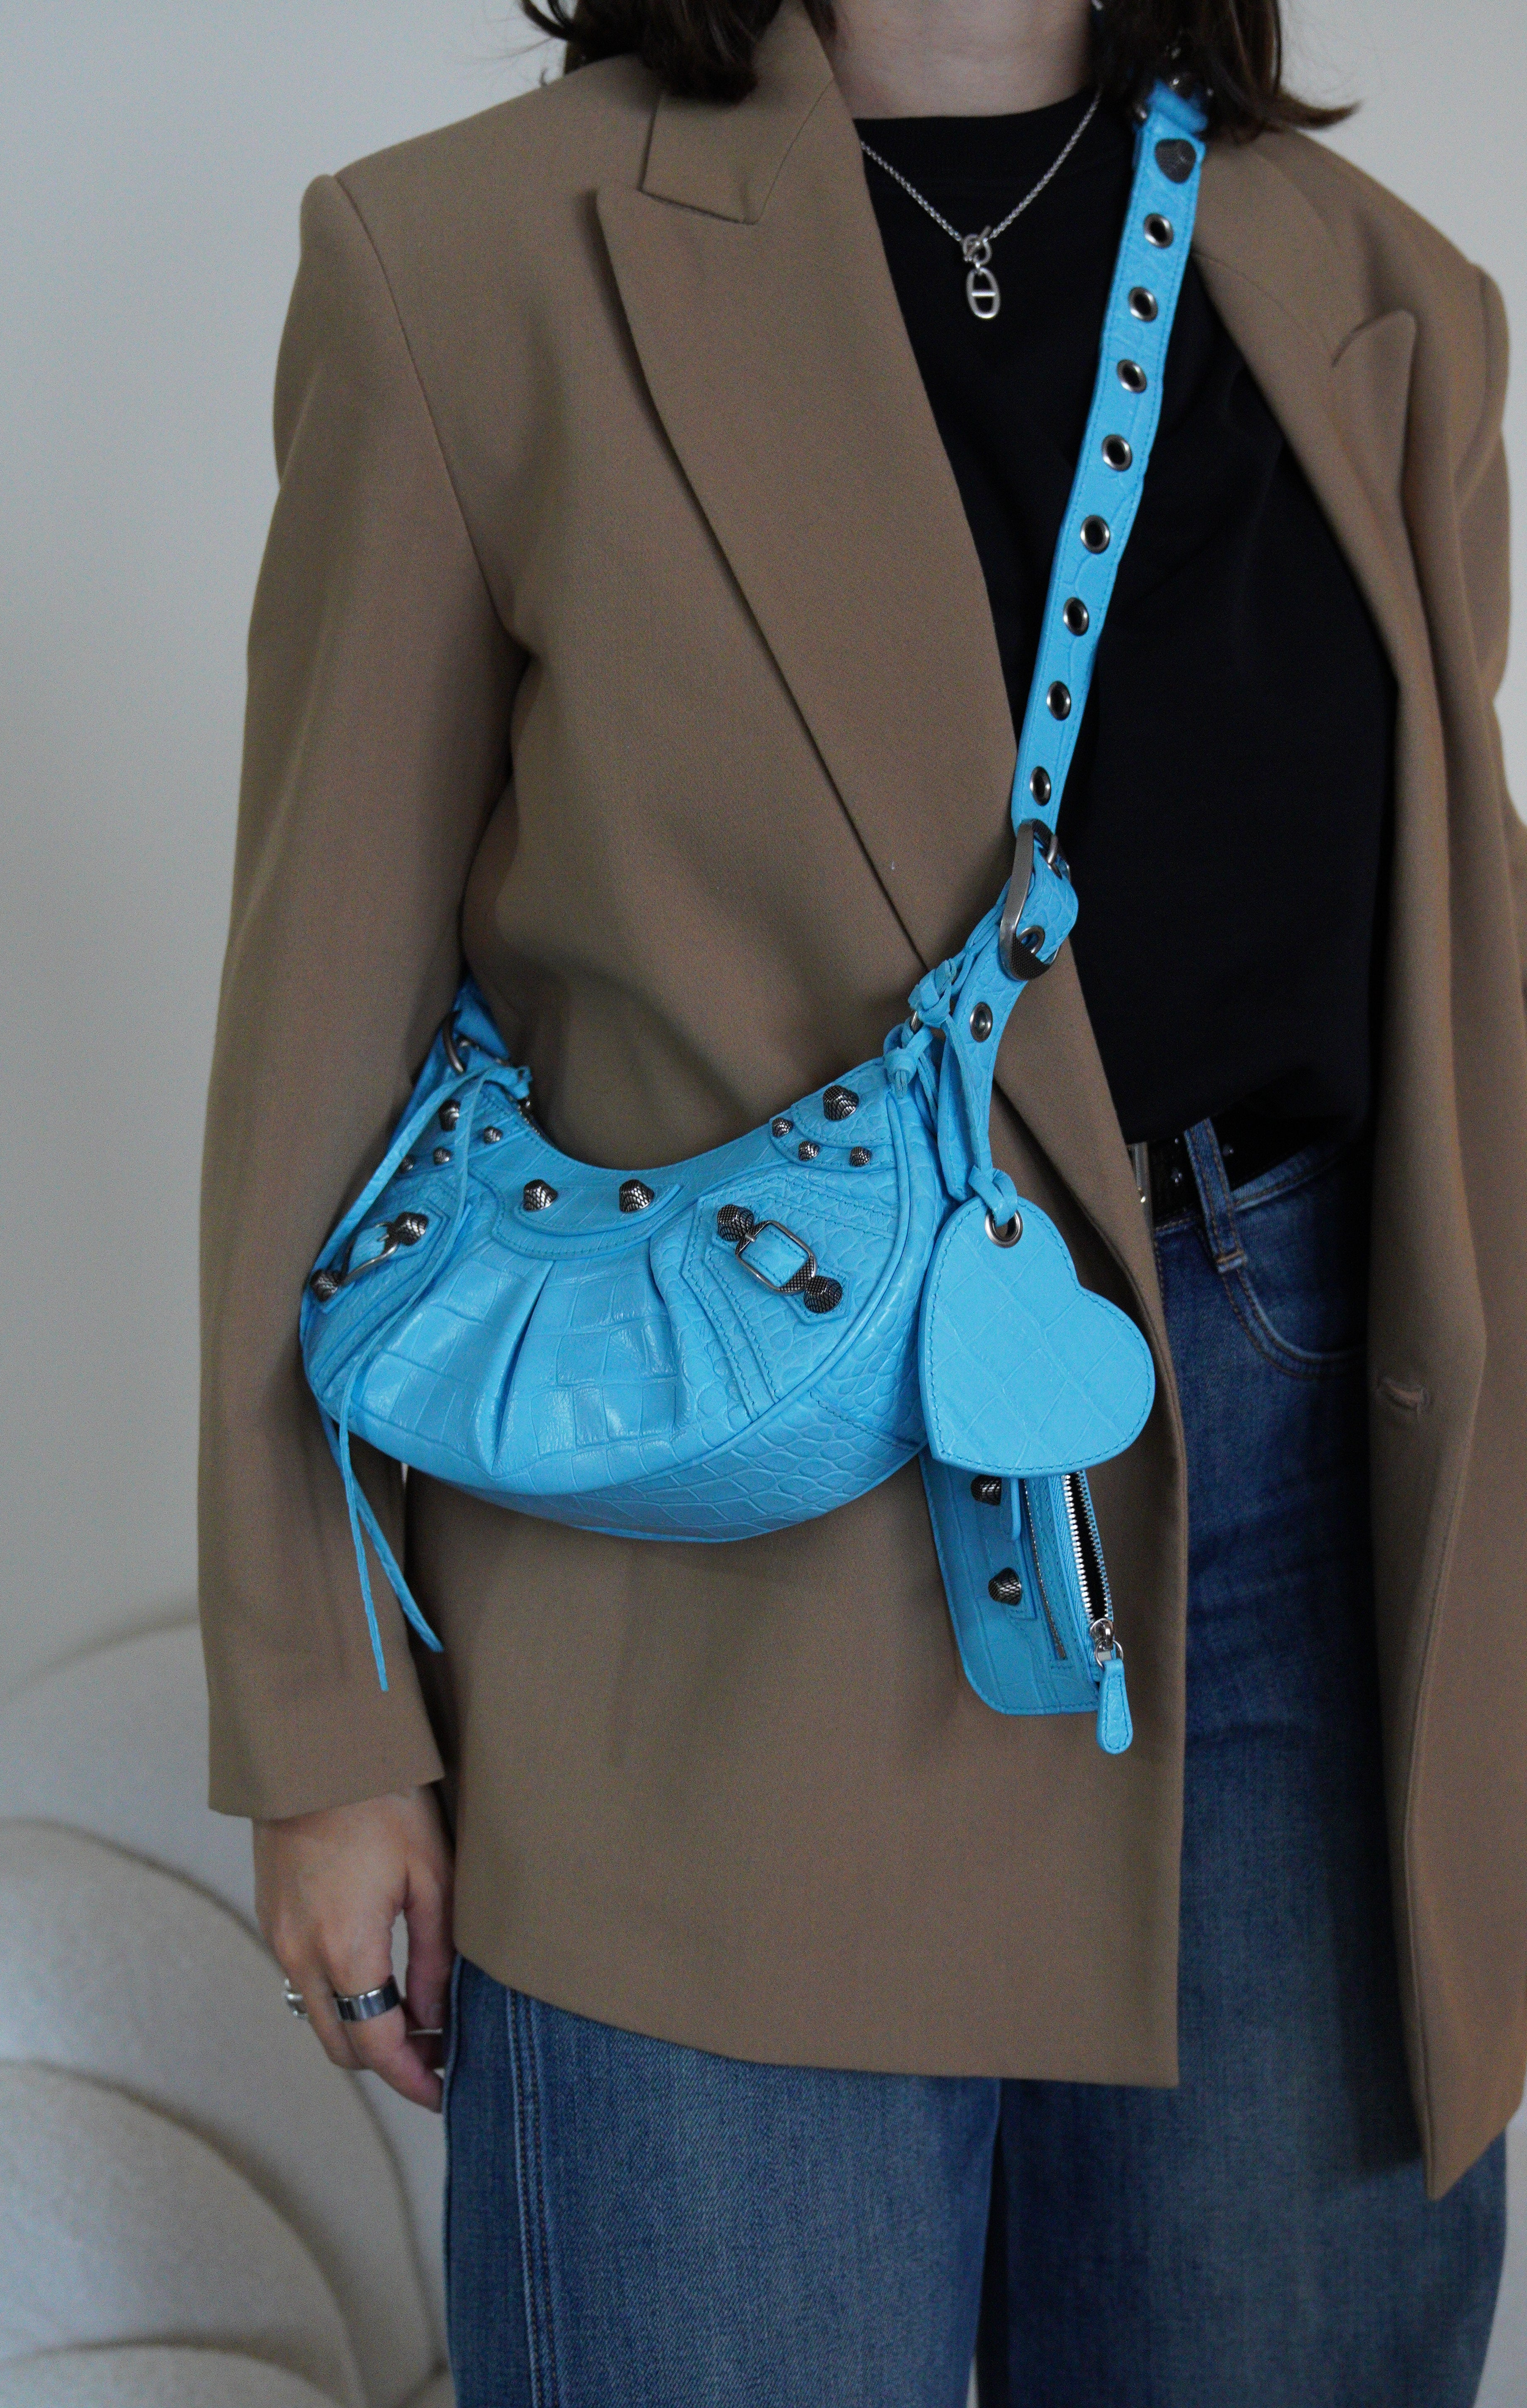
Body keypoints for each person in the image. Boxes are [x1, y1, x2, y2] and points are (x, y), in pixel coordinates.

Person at [199, 0, 1527, 2397]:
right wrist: (326, 1719)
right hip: (713, 1597)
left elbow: (1458, 1017)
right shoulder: (466, 272)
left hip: (1299, 1559)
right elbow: (322, 1048)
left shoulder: (1380, 294)